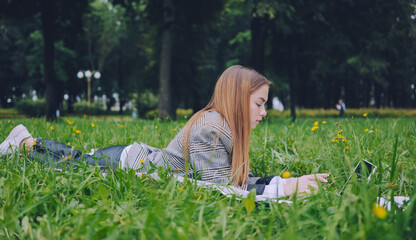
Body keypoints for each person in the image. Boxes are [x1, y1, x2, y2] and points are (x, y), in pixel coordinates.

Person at [0, 65, 328, 198]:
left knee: (75, 159)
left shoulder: (223, 128)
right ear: (238, 99)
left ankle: (25, 141)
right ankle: (25, 142)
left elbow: (236, 181)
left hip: (131, 160)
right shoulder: (212, 129)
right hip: (126, 165)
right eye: (258, 103)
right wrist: (284, 190)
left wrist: (285, 183)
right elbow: (222, 194)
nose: (264, 112)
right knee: (72, 164)